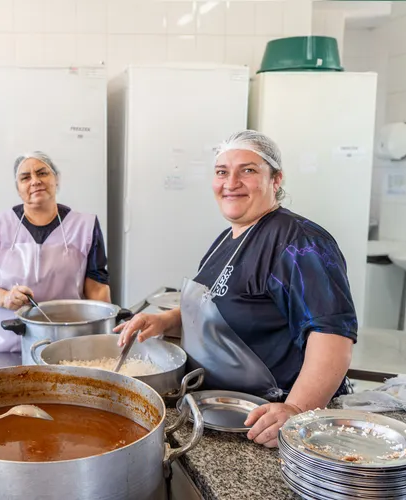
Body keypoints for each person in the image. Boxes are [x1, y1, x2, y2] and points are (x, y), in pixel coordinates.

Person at [115, 130, 356, 448]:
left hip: (265, 421)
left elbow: (332, 337)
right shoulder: (228, 238)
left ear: (276, 179)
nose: (231, 183)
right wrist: (166, 320)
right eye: (221, 172)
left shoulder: (299, 242)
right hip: (219, 410)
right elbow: (220, 302)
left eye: (248, 170)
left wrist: (296, 410)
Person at [0, 152, 111, 362]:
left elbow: (97, 287)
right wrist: (4, 298)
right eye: (25, 177)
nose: (35, 181)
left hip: (69, 346)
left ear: (56, 179)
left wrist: (105, 337)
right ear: (18, 187)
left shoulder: (85, 226)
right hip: (5, 345)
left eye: (42, 173)